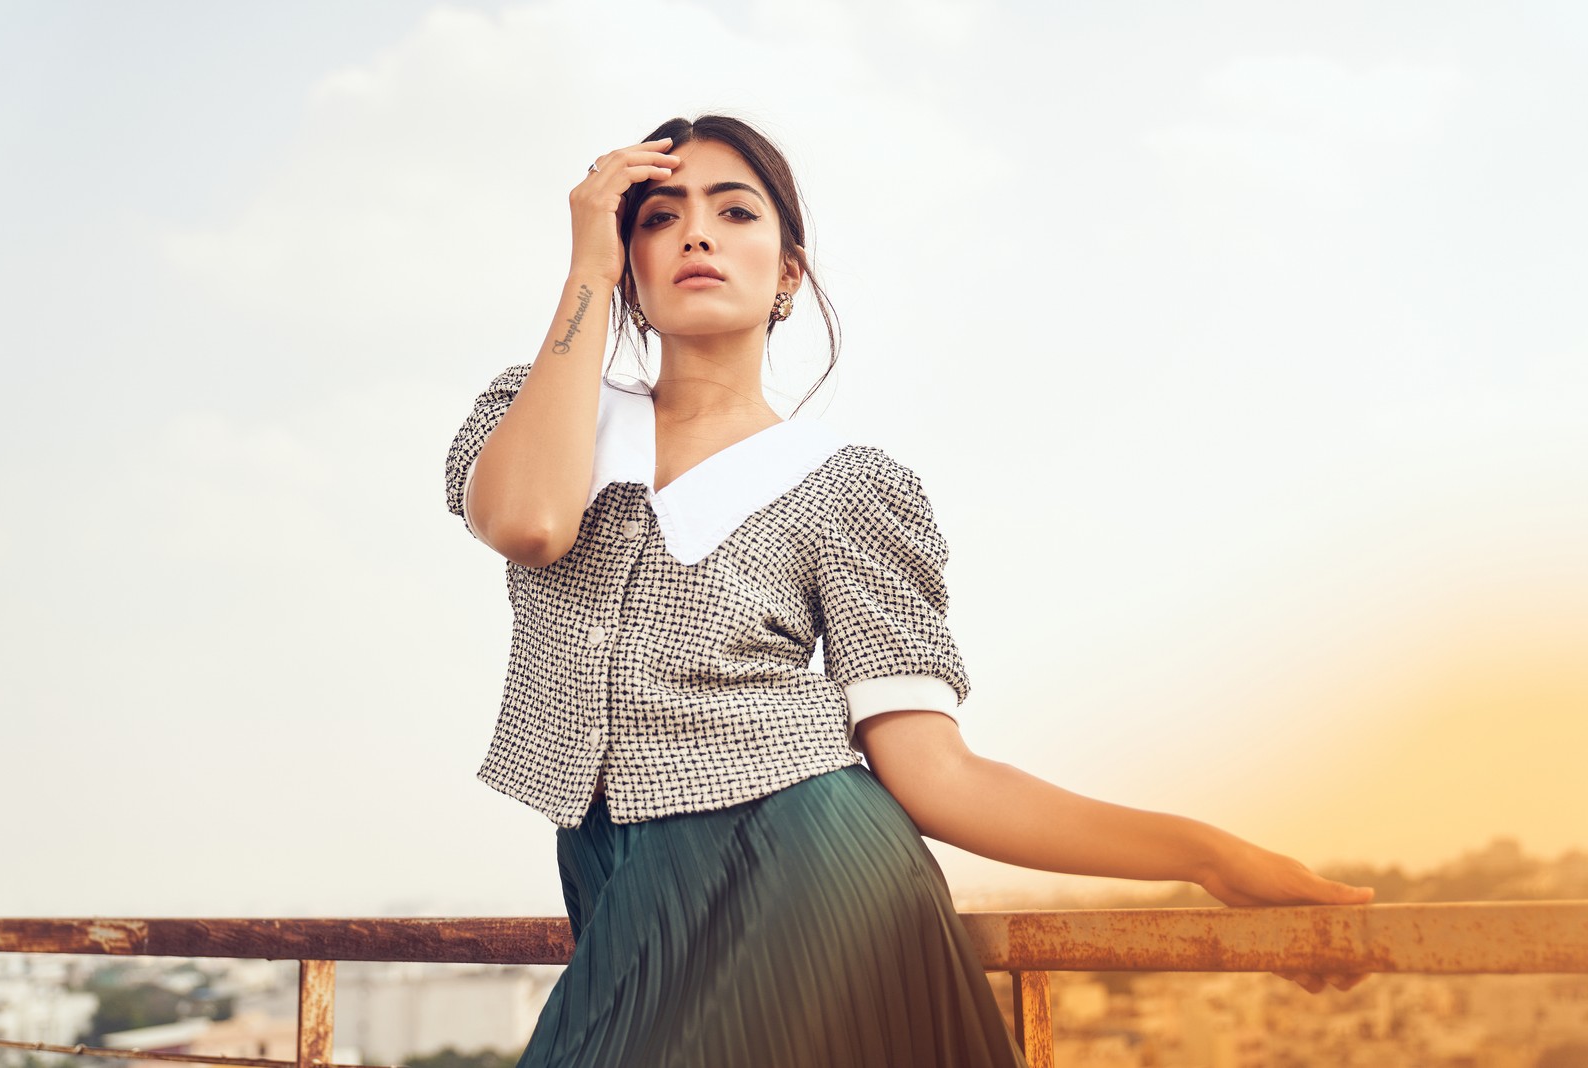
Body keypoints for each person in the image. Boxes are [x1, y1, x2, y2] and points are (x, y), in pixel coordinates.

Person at [444, 114, 1373, 1068]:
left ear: (789, 274)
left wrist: (1203, 857)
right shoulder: (541, 411)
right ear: (625, 253)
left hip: (800, 872)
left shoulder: (851, 485)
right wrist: (583, 278)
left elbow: (937, 775)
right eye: (657, 217)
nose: (697, 234)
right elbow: (529, 523)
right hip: (619, 887)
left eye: (735, 211)